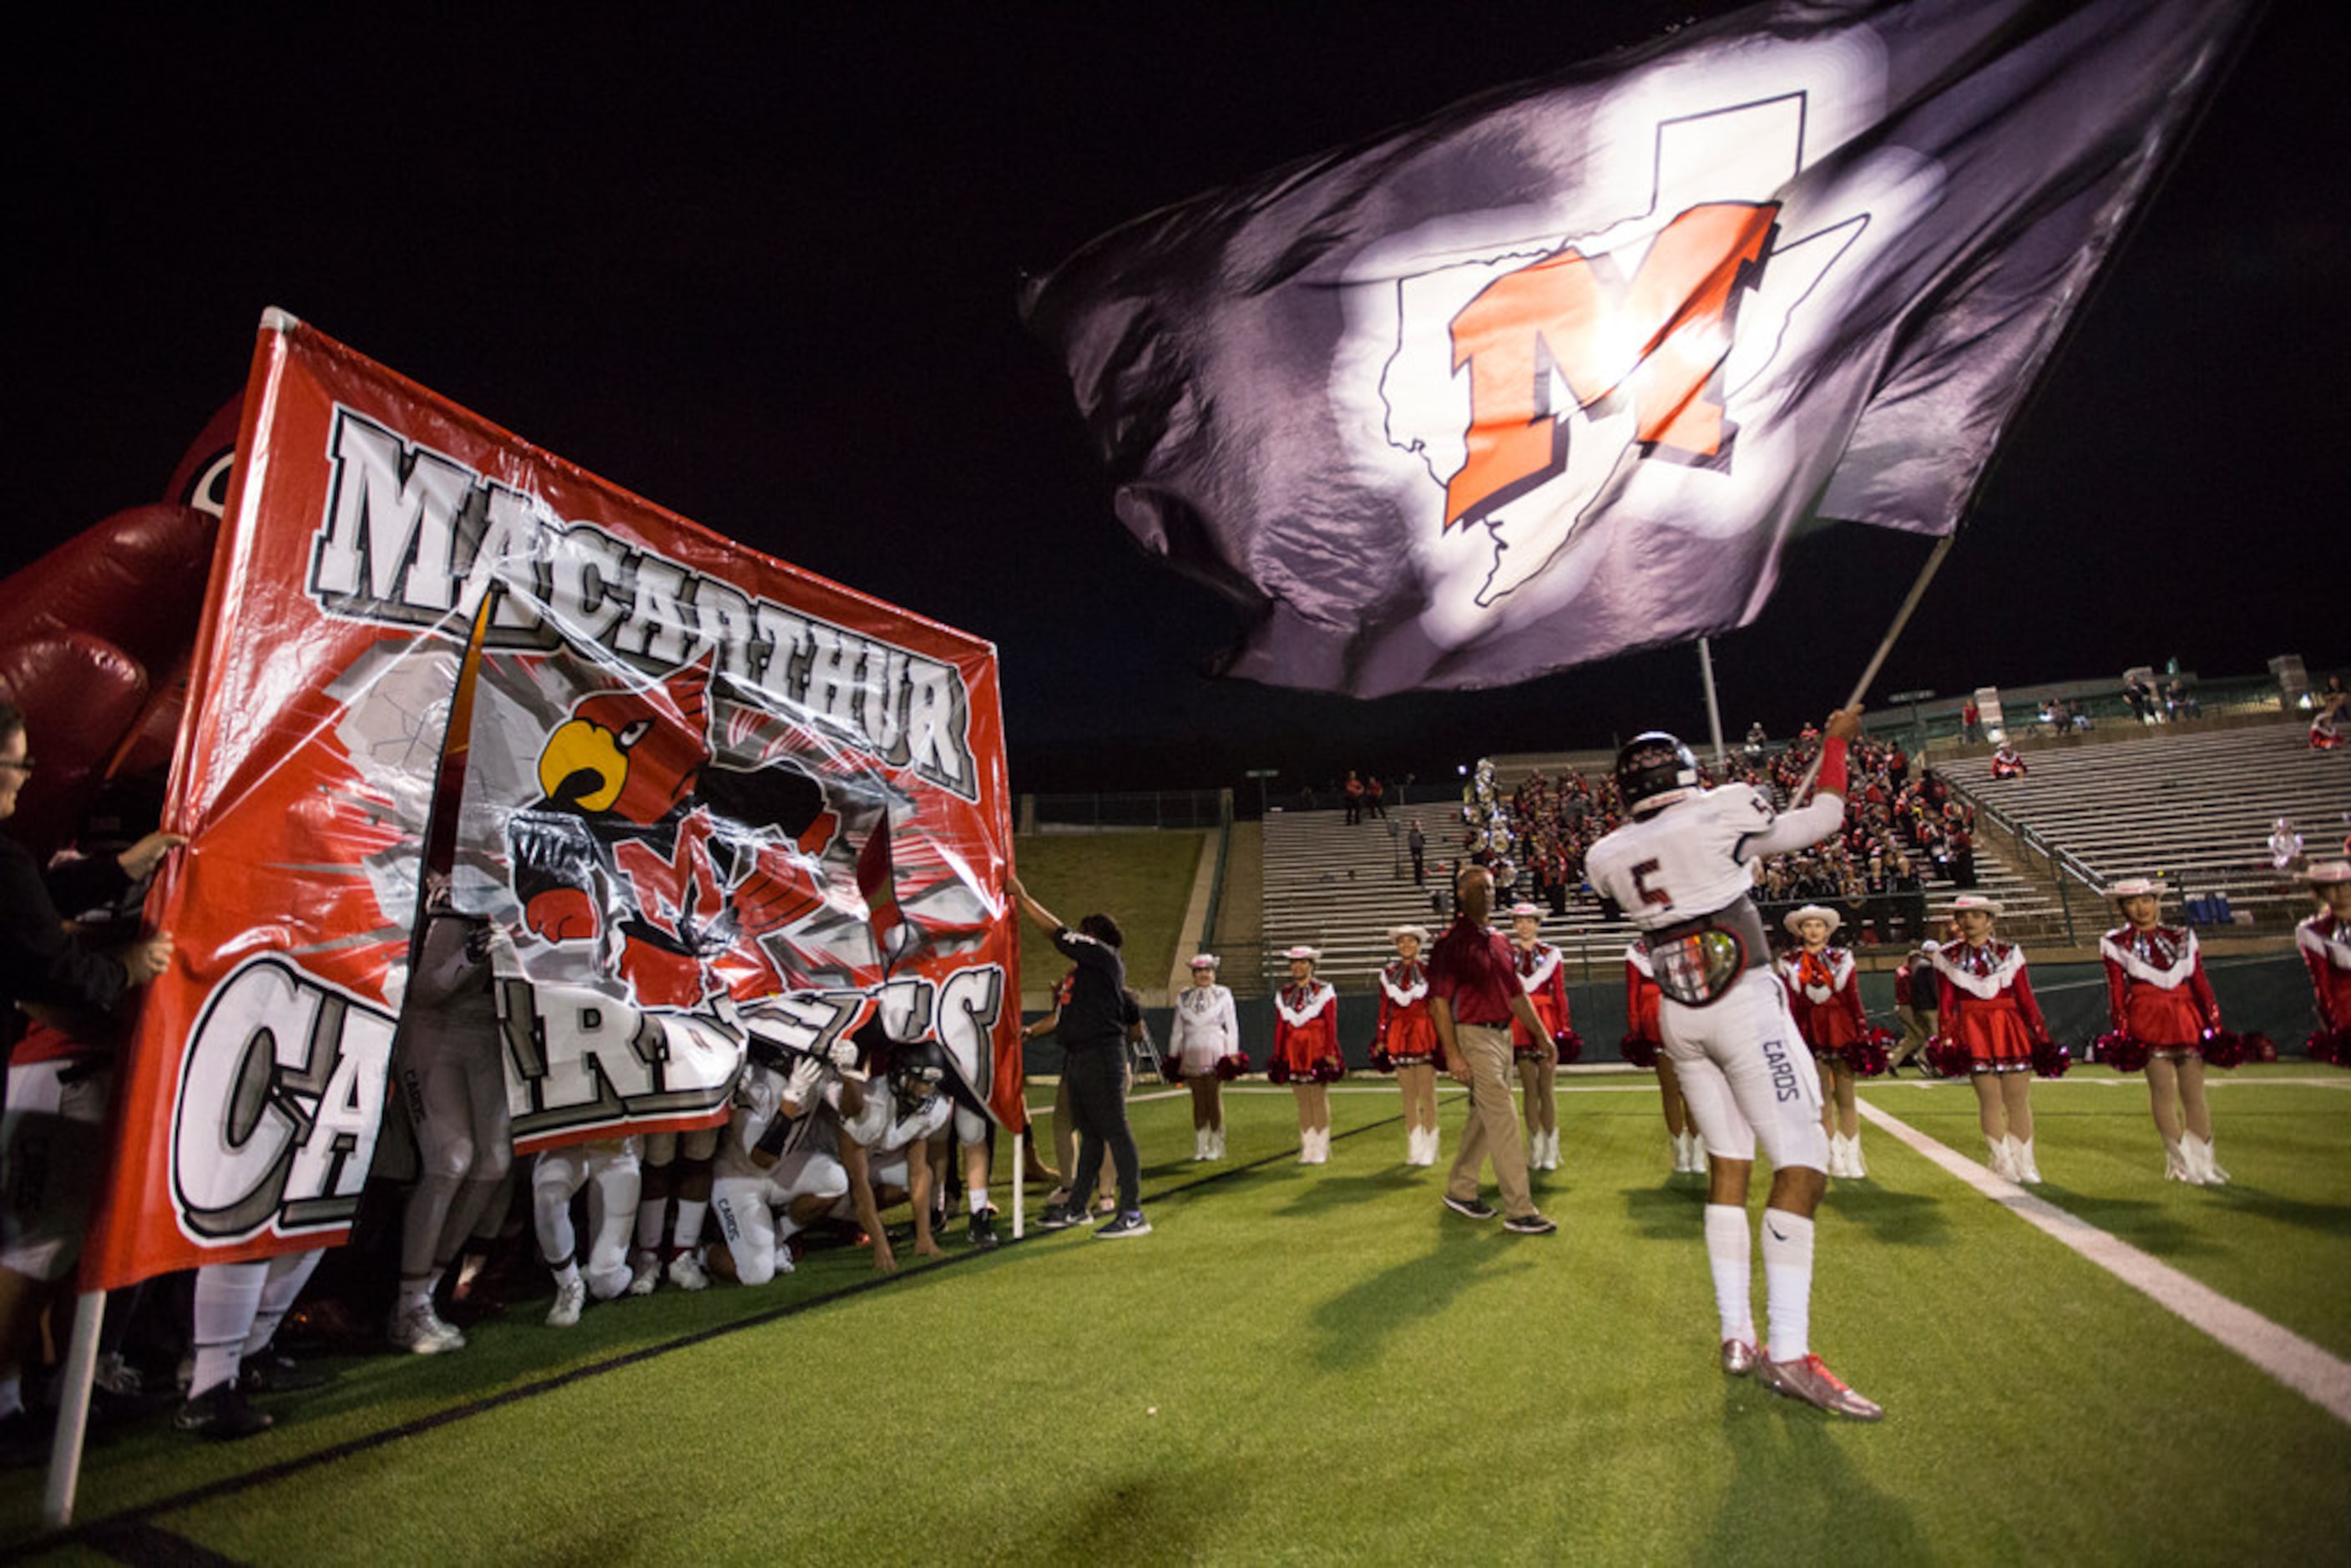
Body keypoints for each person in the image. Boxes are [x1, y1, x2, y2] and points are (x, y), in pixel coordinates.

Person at [1585, 709, 1881, 1419]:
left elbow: (1654, 885)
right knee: (1803, 1164)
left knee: (1728, 1167)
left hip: (1678, 1012)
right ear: (1685, 771)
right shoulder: (1723, 809)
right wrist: (1835, 745)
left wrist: (1727, 861)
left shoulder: (1606, 853)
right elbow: (1828, 817)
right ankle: (1786, 1351)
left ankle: (1735, 1334)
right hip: (1743, 998)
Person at [1, 701, 187, 1445]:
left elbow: (37, 908)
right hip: (50, 1066)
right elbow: (51, 961)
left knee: (49, 1243)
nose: (26, 778)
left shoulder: (23, 864)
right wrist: (126, 969)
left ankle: (29, 1397)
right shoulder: (11, 859)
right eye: (17, 762)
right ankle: (8, 1406)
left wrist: (120, 870)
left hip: (49, 1066)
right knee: (32, 1247)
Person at [387, 876, 517, 1353]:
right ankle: (407, 1306)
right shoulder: (463, 888)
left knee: (493, 1164)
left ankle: (427, 1291)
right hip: (434, 1028)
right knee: (451, 1158)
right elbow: (424, 989)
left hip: (487, 1030)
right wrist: (474, 953)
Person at [1007, 875, 1149, 1238]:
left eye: (1084, 932)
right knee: (1090, 1134)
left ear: (1094, 936)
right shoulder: (1087, 974)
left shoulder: (1103, 957)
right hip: (1081, 1056)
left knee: (1115, 1130)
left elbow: (1057, 933)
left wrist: (1024, 899)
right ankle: (1076, 1207)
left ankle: (1132, 1211)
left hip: (1103, 1054)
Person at [1426, 866, 1555, 1236]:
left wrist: (1543, 1036)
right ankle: (1520, 1209)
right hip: (1474, 1036)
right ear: (1462, 894)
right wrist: (1452, 1053)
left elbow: (1517, 995)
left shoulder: (1499, 940)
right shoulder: (1450, 943)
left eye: (1492, 887)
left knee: (1485, 1116)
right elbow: (1438, 1003)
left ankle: (1461, 1188)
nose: (1490, 893)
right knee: (1503, 1116)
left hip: (1504, 1037)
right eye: (1481, 887)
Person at [2099, 878, 2228, 1185]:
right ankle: (2179, 1162)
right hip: (2146, 1016)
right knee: (2163, 1092)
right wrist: (2123, 1032)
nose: (2140, 908)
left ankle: (2205, 1163)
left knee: (2194, 1094)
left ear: (2157, 902)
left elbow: (2201, 984)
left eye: (2146, 900)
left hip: (2186, 1016)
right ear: (2122, 907)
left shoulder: (2183, 936)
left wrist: (2215, 1026)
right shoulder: (2115, 942)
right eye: (2131, 902)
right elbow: (2116, 993)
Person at [1932, 894, 2053, 1184]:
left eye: (1976, 915)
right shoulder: (1946, 956)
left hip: (2008, 1026)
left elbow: (2025, 997)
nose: (1969, 921)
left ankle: (2026, 1162)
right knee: (1989, 1100)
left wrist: (2040, 1035)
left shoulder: (2010, 952)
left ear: (1990, 920)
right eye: (1963, 916)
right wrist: (1948, 1040)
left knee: (2018, 1101)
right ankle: (2002, 1161)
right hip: (1973, 1028)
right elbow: (1946, 1004)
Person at [1775, 905, 1870, 1179]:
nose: (1814, 931)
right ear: (1800, 931)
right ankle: (1833, 1157)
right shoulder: (1789, 962)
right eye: (1808, 926)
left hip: (1841, 1029)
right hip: (1808, 1031)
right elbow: (1789, 1005)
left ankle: (1853, 1155)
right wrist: (1790, 1038)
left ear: (1828, 931)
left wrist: (1861, 1031)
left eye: (1819, 925)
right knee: (1821, 1100)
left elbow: (1853, 997)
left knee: (1847, 1097)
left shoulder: (1843, 959)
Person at [1624, 940, 1701, 1175]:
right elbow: (1633, 991)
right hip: (1655, 1020)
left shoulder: (1692, 943)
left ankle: (1698, 1152)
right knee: (1670, 1089)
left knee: (1694, 1091)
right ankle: (1680, 1153)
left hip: (1688, 1015)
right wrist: (1636, 1028)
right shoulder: (1637, 951)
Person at [1506, 903, 1567, 1171]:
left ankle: (1552, 1149)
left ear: (1537, 924)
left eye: (1529, 921)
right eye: (1519, 922)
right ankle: (1535, 1148)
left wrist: (1564, 1028)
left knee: (1547, 1088)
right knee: (1529, 1089)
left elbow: (1560, 993)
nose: (1524, 926)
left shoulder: (1552, 954)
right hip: (1518, 1020)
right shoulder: (1506, 954)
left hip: (1546, 1020)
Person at [1377, 926, 1442, 1166]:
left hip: (1423, 1031)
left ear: (1419, 944)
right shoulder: (1388, 973)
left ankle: (1430, 1146)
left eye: (1410, 941)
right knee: (1408, 1095)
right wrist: (1382, 1038)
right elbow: (1384, 1009)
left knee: (1427, 1093)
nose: (1405, 946)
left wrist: (1440, 1036)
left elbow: (1437, 1005)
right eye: (1401, 942)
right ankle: (1414, 1146)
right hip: (1399, 1033)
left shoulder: (1429, 971)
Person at [1272, 946, 1341, 1164]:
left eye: (1303, 963)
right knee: (1301, 1099)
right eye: (1294, 963)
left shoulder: (1324, 990)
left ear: (1312, 966)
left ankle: (1321, 1146)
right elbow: (1280, 1027)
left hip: (1317, 1046)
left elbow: (1331, 1023)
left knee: (1317, 1097)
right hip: (1294, 1049)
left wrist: (1329, 1052)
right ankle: (1307, 1147)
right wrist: (1279, 1055)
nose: (1298, 967)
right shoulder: (1284, 994)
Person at [1168, 954, 1238, 1161]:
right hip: (1191, 1049)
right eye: (1200, 972)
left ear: (1213, 973)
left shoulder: (1223, 994)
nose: (1204, 975)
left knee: (1213, 1097)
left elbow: (1232, 1026)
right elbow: (1177, 1029)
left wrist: (1231, 1053)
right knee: (1198, 1099)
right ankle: (1201, 1144)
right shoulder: (1183, 996)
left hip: (1215, 1047)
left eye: (1208, 971)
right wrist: (1173, 1056)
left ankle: (1217, 1144)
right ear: (1193, 975)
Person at [2296, 862, 2351, 1060]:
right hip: (2346, 1015)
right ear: (2320, 893)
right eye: (2333, 887)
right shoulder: (2312, 932)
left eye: (2347, 885)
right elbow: (2323, 984)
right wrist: (2336, 1027)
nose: (2343, 892)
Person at [1890, 941, 1940, 1075]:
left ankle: (1893, 1061)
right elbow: (1932, 989)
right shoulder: (1927, 967)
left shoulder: (1915, 968)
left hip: (1915, 1007)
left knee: (1913, 1038)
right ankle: (1923, 1057)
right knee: (1934, 1036)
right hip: (1922, 1007)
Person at [1408, 821, 1427, 885]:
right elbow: (1412, 843)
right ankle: (1417, 880)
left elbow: (1424, 841)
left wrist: (1422, 834)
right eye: (1417, 825)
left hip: (1420, 850)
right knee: (1417, 866)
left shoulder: (1420, 833)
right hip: (1415, 850)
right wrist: (1415, 853)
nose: (1418, 826)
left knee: (1420, 866)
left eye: (1419, 825)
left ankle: (1421, 879)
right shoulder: (1412, 833)